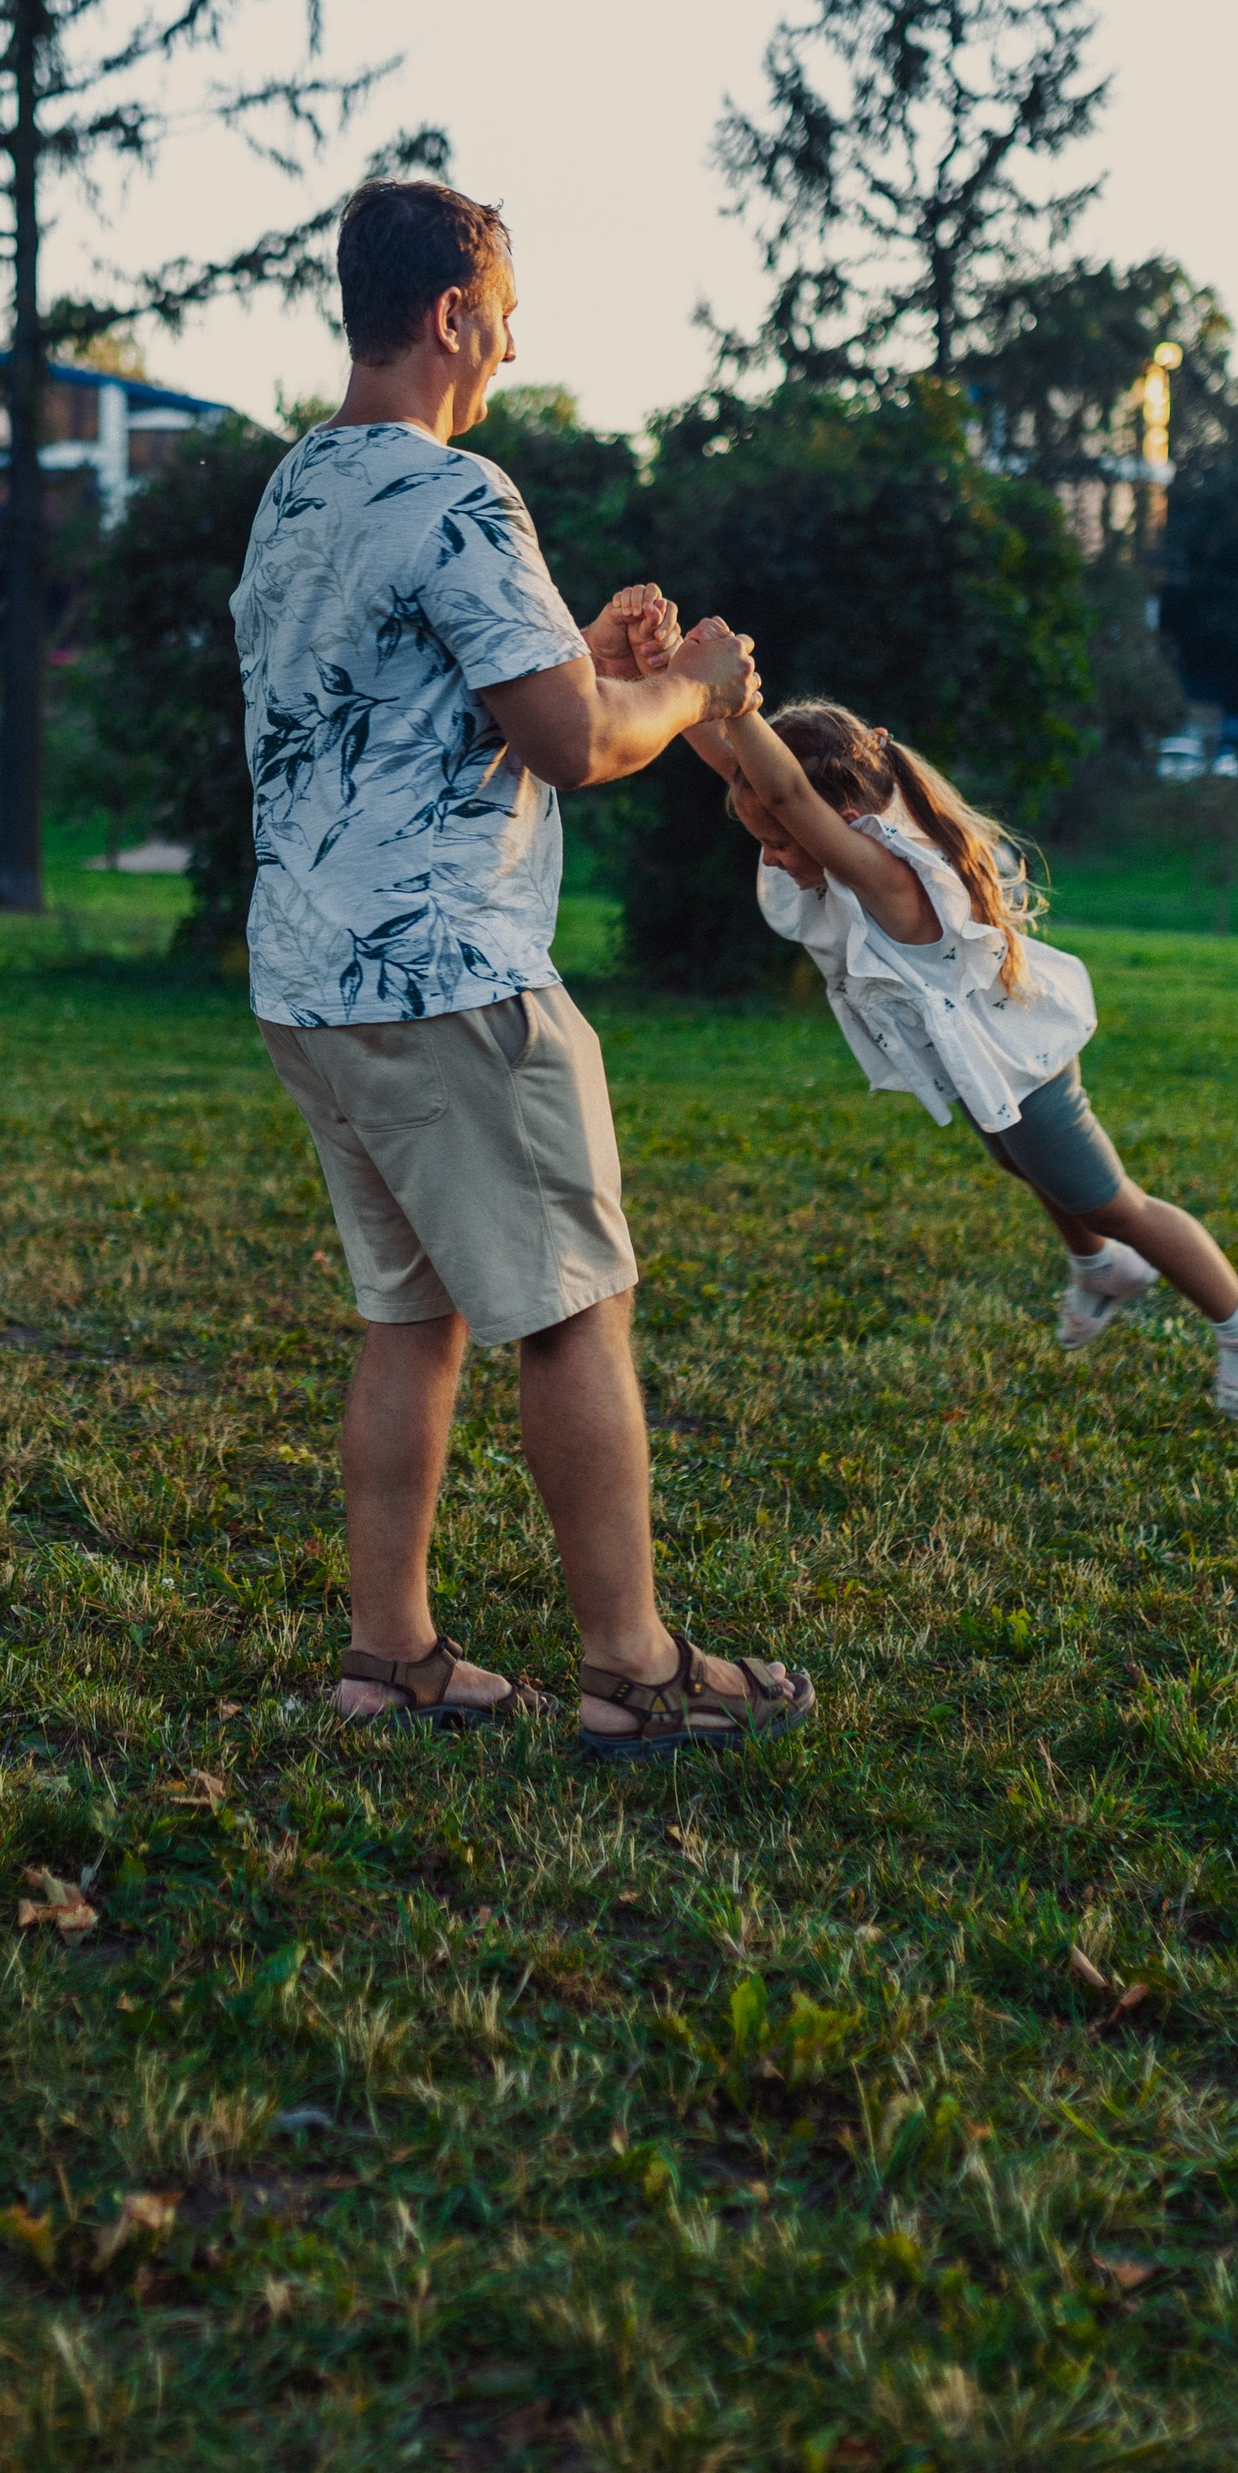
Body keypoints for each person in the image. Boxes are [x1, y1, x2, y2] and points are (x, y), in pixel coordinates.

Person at [230, 174, 815, 1761]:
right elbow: (567, 737)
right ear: (450, 315)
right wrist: (696, 686)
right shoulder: (455, 492)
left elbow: (498, 688)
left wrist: (622, 666)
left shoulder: (300, 494)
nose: (507, 348)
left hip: (313, 979)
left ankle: (389, 1657)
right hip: (451, 981)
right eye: (504, 319)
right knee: (567, 1313)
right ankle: (633, 1668)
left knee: (410, 1314)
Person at [690, 693, 1238, 1421]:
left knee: (1117, 1203)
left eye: (784, 841)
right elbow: (748, 770)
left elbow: (785, 789)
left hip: (1022, 1067)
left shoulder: (886, 877)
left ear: (839, 824)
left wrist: (737, 691)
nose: (771, 855)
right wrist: (677, 678)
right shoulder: (858, 835)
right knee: (1019, 1160)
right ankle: (1098, 1266)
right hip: (982, 1063)